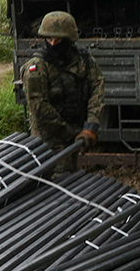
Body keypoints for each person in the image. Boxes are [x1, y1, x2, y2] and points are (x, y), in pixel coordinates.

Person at [21, 11, 104, 171]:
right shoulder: (38, 67)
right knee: (58, 181)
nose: (53, 44)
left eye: (58, 40)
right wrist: (70, 132)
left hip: (75, 132)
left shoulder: (83, 60)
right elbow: (39, 107)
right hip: (49, 139)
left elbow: (97, 87)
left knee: (71, 176)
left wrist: (91, 125)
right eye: (49, 39)